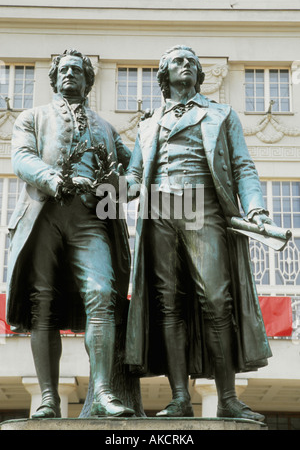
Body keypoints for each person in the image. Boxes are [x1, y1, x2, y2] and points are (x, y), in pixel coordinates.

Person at [125, 45, 274, 421]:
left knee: (217, 300)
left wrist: (254, 206)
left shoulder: (221, 114)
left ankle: (227, 397)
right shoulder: (147, 123)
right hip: (159, 212)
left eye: (192, 61)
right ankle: (179, 397)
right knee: (168, 303)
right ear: (164, 74)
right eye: (178, 60)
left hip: (203, 209)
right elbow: (133, 178)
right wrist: (105, 184)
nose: (186, 65)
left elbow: (243, 166)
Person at [6, 49, 134, 418]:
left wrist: (119, 184)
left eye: (78, 70)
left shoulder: (107, 128)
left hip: (91, 219)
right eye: (64, 70)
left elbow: (134, 174)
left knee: (101, 293)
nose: (70, 75)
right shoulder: (32, 117)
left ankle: (103, 393)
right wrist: (53, 178)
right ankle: (48, 397)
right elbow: (22, 158)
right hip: (44, 215)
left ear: (88, 80)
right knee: (42, 303)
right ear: (54, 77)